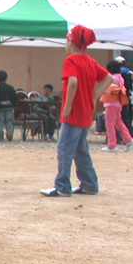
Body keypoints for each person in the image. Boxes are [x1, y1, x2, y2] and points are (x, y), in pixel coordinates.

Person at [41, 25, 112, 197]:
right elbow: (109, 78)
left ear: (71, 41)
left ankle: (62, 186)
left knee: (64, 149)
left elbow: (72, 82)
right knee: (81, 150)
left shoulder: (71, 61)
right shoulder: (90, 61)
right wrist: (95, 95)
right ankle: (89, 184)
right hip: (86, 111)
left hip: (73, 113)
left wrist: (68, 106)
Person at [99, 60, 133, 152]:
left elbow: (107, 89)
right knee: (118, 122)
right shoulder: (121, 78)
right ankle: (128, 139)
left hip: (111, 103)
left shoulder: (112, 78)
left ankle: (112, 144)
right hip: (118, 103)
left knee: (109, 124)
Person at [0, 70, 17, 142]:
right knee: (9, 121)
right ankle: (9, 132)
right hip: (9, 107)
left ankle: (0, 137)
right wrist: (14, 105)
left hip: (0, 108)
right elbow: (14, 97)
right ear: (6, 78)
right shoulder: (10, 87)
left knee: (0, 122)